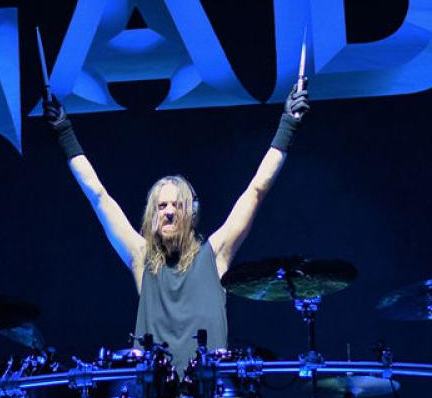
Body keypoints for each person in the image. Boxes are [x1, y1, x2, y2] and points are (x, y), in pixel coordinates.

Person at [43, 82, 309, 370]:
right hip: (153, 391)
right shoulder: (140, 257)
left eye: (176, 205)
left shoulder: (215, 254)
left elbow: (256, 190)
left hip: (208, 389)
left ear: (191, 214)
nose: (169, 212)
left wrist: (288, 124)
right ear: (152, 216)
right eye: (161, 206)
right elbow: (98, 195)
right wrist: (64, 131)